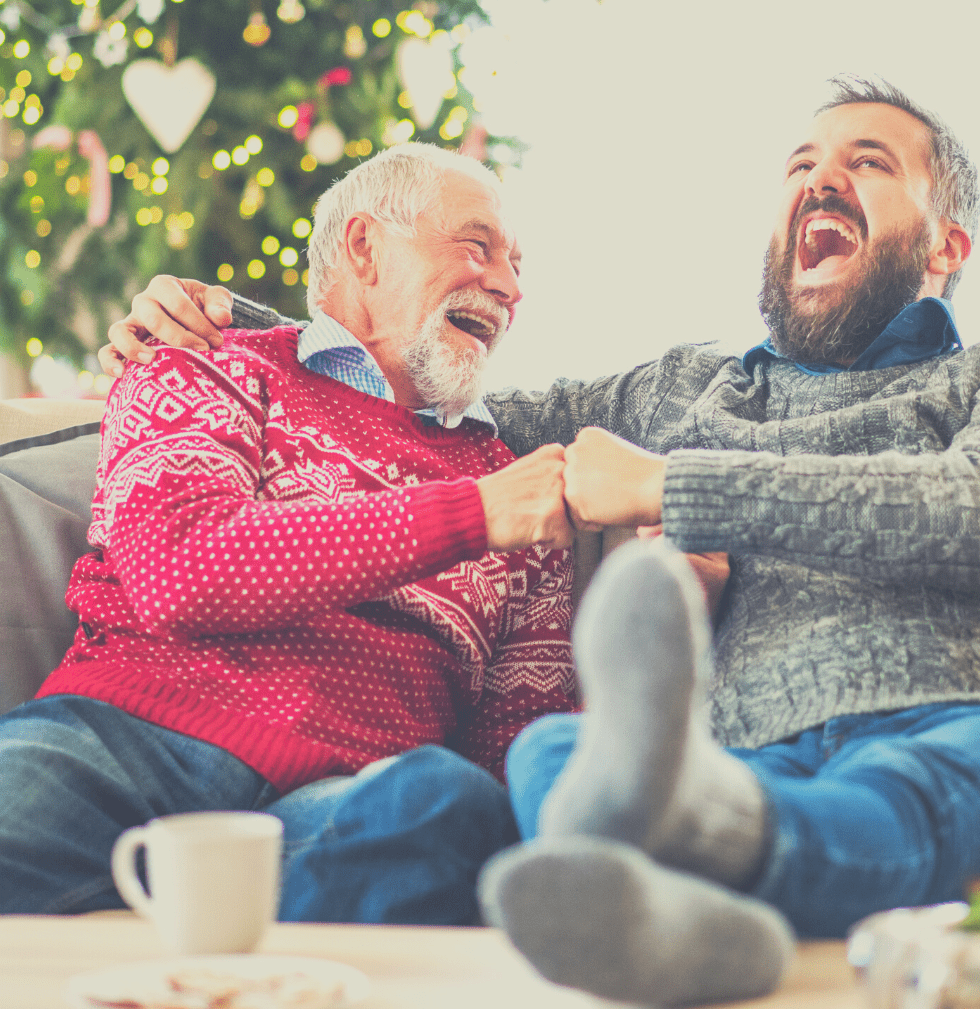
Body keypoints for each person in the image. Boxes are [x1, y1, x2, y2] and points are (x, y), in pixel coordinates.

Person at [105, 78, 980, 1007]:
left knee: (914, 797)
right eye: (801, 167)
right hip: (739, 761)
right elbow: (425, 394)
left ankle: (695, 871)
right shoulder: (679, 390)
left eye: (867, 162)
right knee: (556, 750)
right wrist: (231, 326)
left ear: (946, 245)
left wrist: (676, 487)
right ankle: (707, 910)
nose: (822, 180)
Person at [0, 141, 584, 925]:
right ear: (365, 246)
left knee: (445, 808)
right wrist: (472, 514)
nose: (509, 287)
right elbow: (181, 572)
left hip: (342, 803)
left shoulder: (522, 489)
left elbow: (518, 748)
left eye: (517, 266)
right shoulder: (206, 365)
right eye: (477, 247)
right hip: (126, 738)